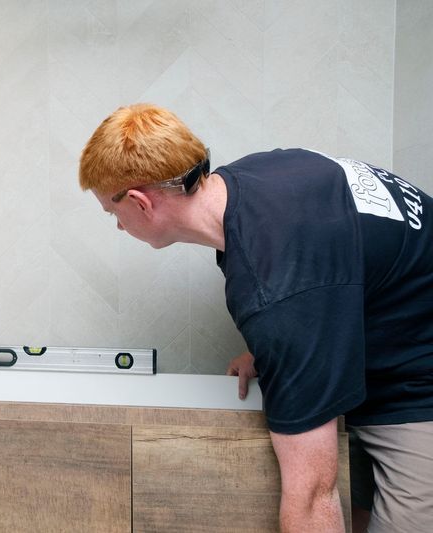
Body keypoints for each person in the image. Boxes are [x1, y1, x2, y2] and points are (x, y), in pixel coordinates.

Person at [79, 103, 433, 532]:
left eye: (112, 213)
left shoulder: (278, 291)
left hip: (416, 386)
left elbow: (312, 497)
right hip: (383, 348)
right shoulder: (256, 178)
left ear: (139, 203)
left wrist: (287, 338)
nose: (118, 226)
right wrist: (278, 350)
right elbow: (332, 274)